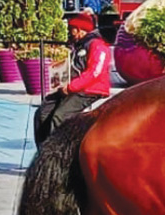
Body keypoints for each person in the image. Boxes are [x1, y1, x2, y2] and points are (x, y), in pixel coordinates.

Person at [33, 12, 112, 146]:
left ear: (80, 30)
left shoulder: (98, 45)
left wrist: (71, 87)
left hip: (90, 89)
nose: (70, 33)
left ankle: (57, 154)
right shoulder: (79, 45)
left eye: (71, 30)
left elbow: (94, 72)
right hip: (72, 87)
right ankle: (43, 152)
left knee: (60, 116)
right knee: (42, 113)